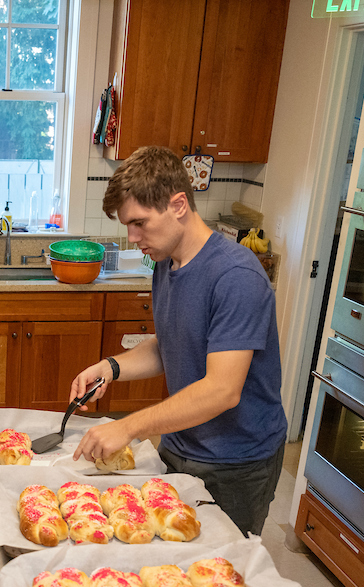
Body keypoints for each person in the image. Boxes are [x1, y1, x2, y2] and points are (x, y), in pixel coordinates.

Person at [70, 145, 286, 537]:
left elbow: (222, 390)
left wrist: (129, 427)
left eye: (140, 223)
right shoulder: (167, 263)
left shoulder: (236, 276)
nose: (134, 237)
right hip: (179, 445)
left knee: (217, 578)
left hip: (234, 463)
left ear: (179, 205)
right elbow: (170, 342)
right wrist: (112, 367)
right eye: (128, 226)